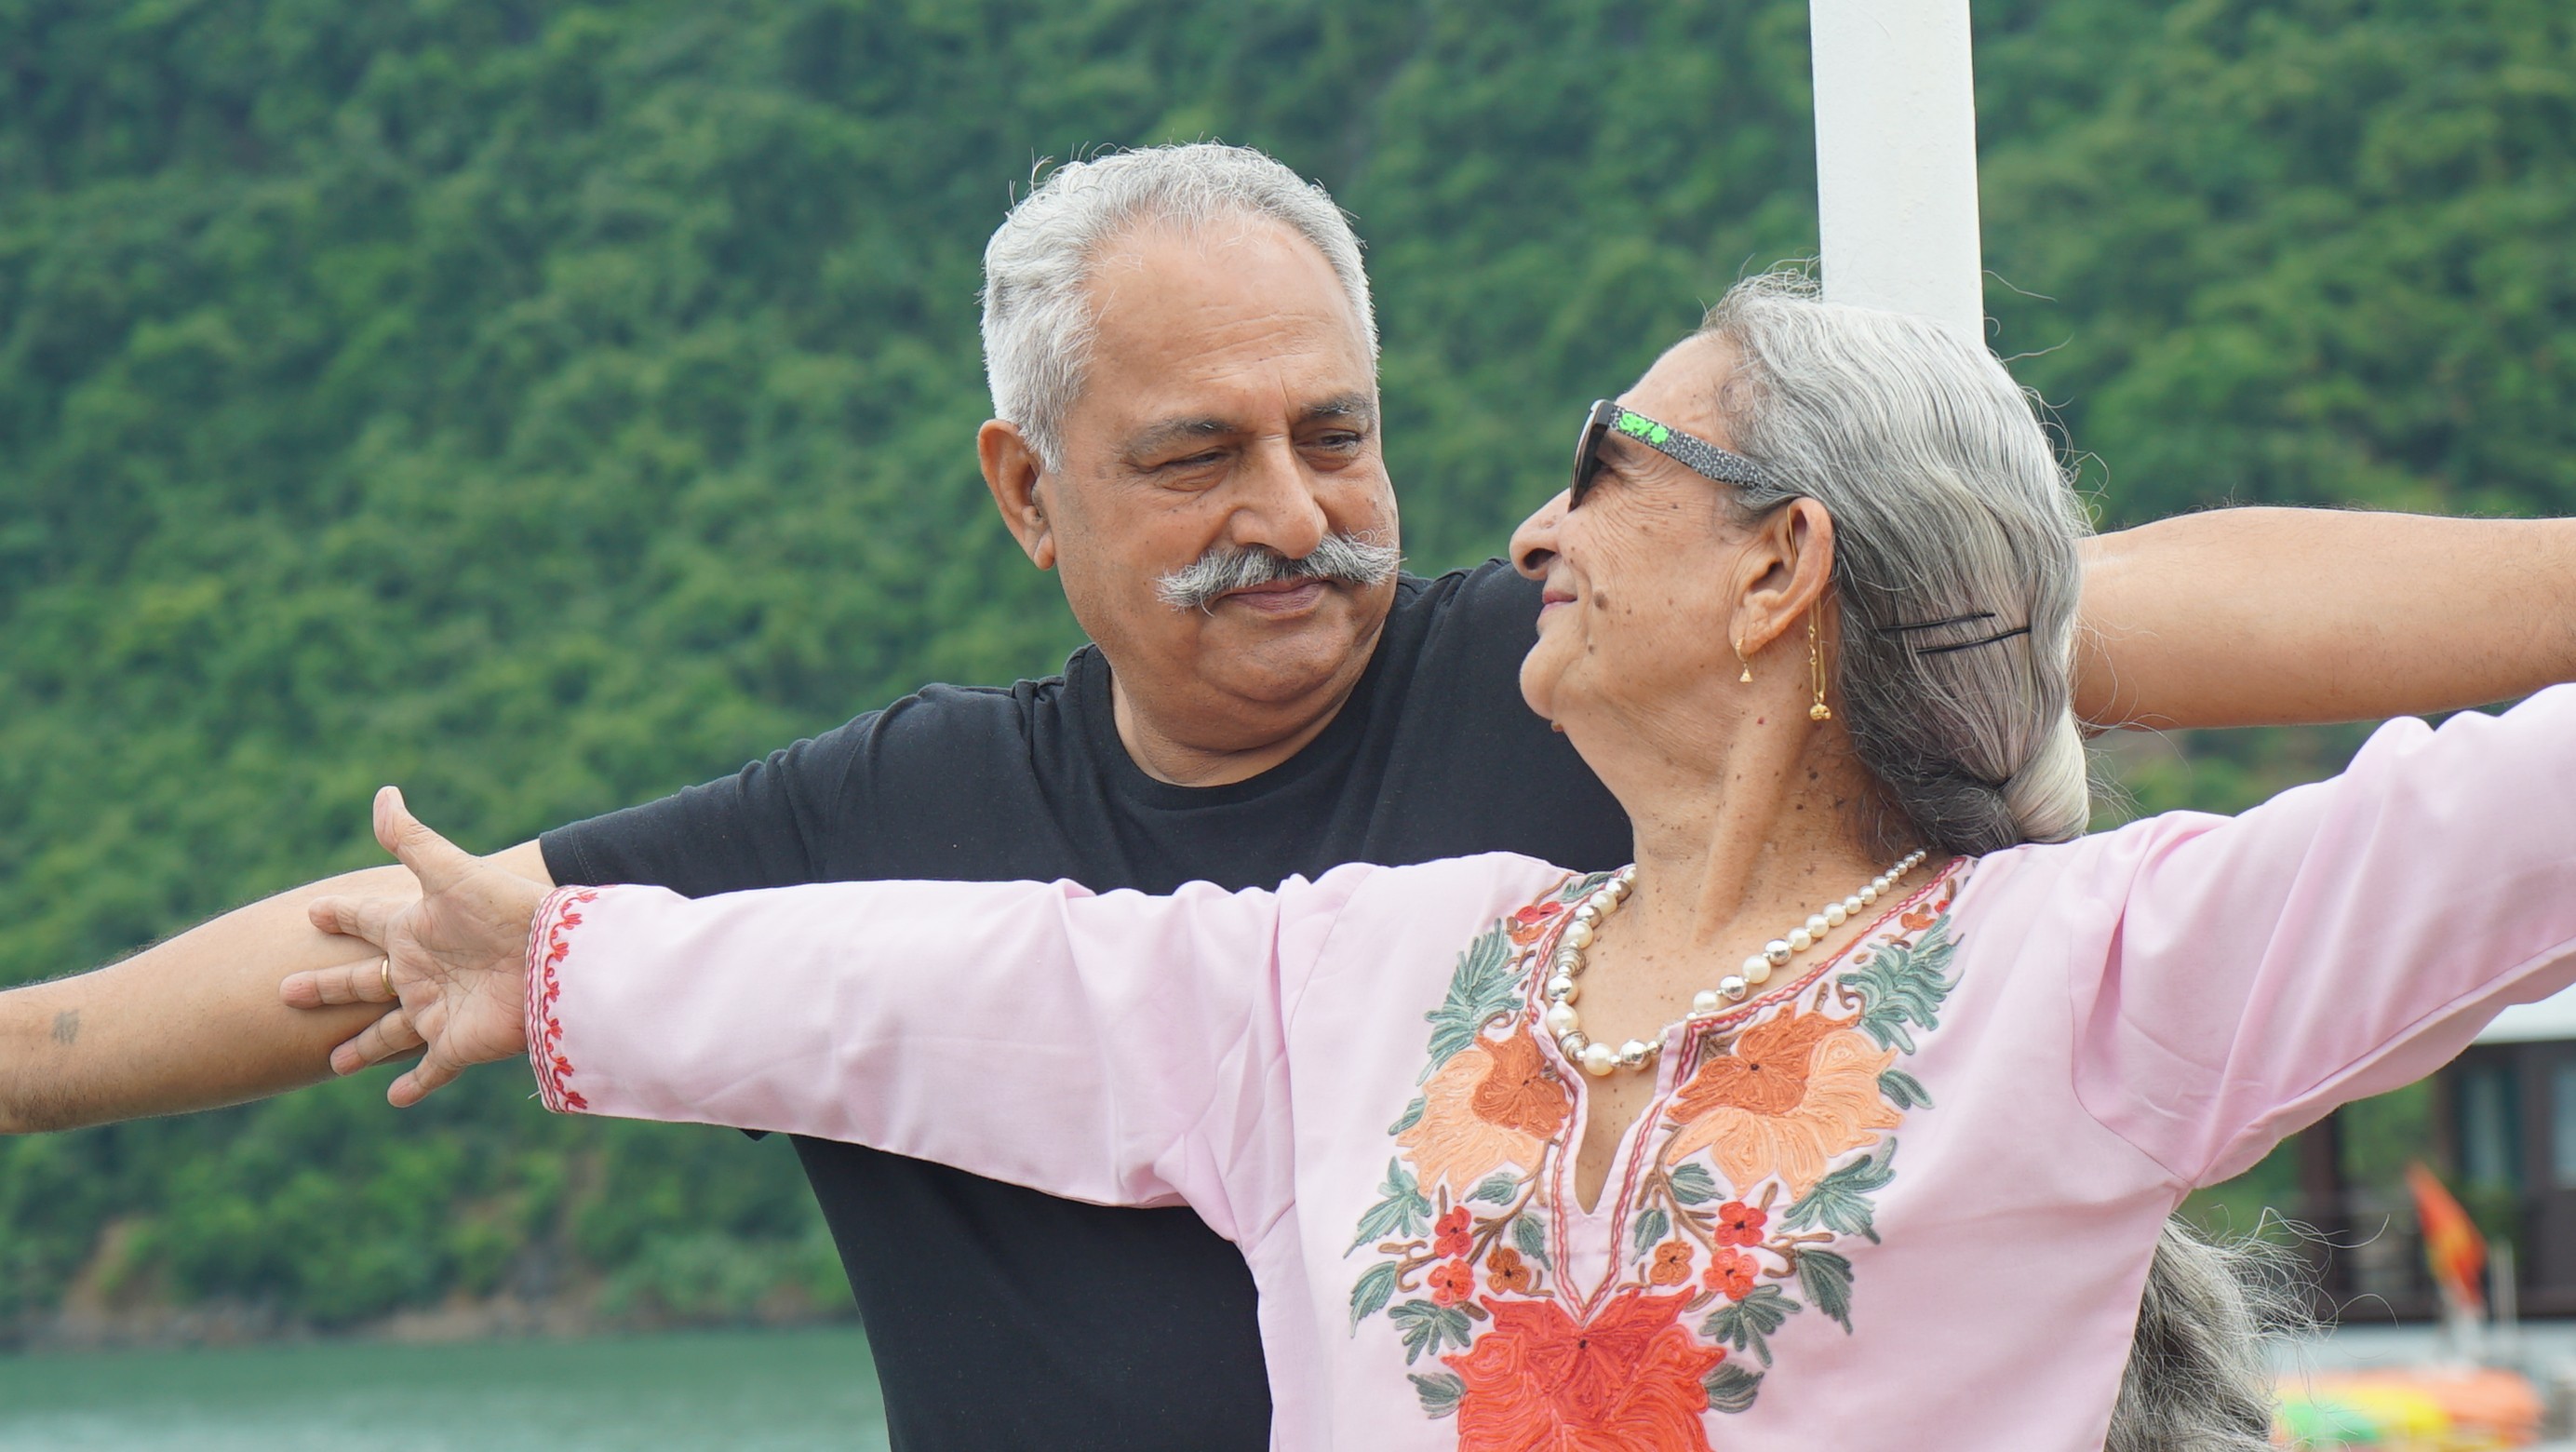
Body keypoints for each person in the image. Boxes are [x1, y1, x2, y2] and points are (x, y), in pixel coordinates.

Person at [8, 146, 2576, 1451]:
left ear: (1791, 572)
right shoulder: (1358, 965)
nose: (1466, 517)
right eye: (1199, 451)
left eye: (1356, 432)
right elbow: (899, 976)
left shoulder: (2085, 975)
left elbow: (2384, 753)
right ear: (1030, 493)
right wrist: (519, 964)